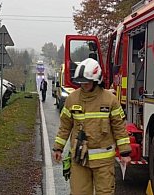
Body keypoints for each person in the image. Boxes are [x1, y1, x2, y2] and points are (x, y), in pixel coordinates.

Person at [52, 58, 132, 195]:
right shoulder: (72, 99)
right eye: (81, 81)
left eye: (87, 81)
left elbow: (119, 127)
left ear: (96, 80)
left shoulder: (110, 100)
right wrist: (58, 148)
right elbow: (65, 126)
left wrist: (125, 153)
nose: (84, 84)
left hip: (104, 162)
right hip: (79, 160)